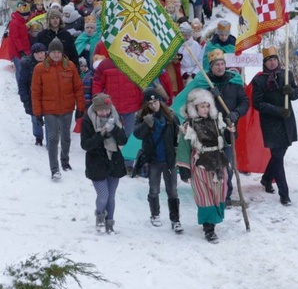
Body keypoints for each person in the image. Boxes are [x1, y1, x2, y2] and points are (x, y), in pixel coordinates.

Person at [176, 88, 234, 243]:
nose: (205, 109)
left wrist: (230, 132)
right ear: (194, 108)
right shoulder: (189, 125)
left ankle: (213, 220)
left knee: (219, 193)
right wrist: (184, 169)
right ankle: (209, 229)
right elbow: (184, 146)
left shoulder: (217, 121)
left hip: (218, 162)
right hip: (200, 164)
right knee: (204, 197)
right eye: (202, 106)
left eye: (207, 106)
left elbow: (226, 139)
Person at [251, 46, 298, 206]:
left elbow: (297, 93)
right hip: (271, 123)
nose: (272, 63)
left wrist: (291, 91)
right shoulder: (259, 81)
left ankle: (266, 178)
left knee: (279, 155)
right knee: (278, 157)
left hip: (287, 122)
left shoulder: (287, 75)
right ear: (264, 64)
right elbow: (258, 104)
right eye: (268, 61)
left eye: (274, 60)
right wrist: (278, 111)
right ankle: (284, 193)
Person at [31, 37, 85, 180]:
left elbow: (78, 88)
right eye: (53, 52)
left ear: (62, 53)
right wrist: (37, 113)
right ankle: (54, 169)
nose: (56, 54)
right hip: (50, 110)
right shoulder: (40, 68)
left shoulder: (70, 66)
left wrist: (80, 108)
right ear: (49, 53)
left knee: (66, 137)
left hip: (67, 108)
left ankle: (65, 161)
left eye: (58, 52)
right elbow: (35, 92)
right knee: (53, 138)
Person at [203, 49, 249, 204]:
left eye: (222, 64)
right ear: (212, 67)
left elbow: (245, 102)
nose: (220, 67)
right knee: (212, 164)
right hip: (210, 131)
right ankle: (213, 192)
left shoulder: (234, 83)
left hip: (228, 132)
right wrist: (209, 95)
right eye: (217, 65)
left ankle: (226, 194)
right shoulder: (205, 83)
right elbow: (196, 105)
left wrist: (236, 113)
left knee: (227, 164)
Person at [133, 88, 182, 232]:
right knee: (154, 189)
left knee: (172, 190)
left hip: (169, 159)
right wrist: (145, 125)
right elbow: (137, 135)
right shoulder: (141, 116)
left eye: (156, 102)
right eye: (150, 103)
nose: (154, 105)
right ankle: (155, 215)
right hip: (153, 159)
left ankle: (175, 219)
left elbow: (177, 137)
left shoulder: (171, 116)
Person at [80, 93, 128, 233]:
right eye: (101, 110)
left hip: (114, 161)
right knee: (103, 195)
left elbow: (123, 140)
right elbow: (85, 145)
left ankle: (110, 222)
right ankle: (100, 217)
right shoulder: (88, 120)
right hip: (96, 162)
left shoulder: (115, 117)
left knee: (111, 196)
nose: (104, 113)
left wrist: (114, 130)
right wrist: (100, 135)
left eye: (106, 109)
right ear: (95, 109)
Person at [18, 42, 48, 146]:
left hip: (48, 96)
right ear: (33, 54)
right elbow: (22, 82)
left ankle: (51, 141)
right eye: (37, 53)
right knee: (35, 119)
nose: (40, 55)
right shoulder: (27, 65)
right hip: (32, 97)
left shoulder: (50, 63)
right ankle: (38, 137)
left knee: (50, 119)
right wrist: (25, 97)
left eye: (42, 52)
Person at [6, 2, 32, 85]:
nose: (28, 16)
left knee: (23, 69)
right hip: (17, 51)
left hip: (23, 49)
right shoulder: (14, 23)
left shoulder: (22, 22)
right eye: (26, 14)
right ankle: (21, 86)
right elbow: (15, 38)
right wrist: (21, 50)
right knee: (20, 69)